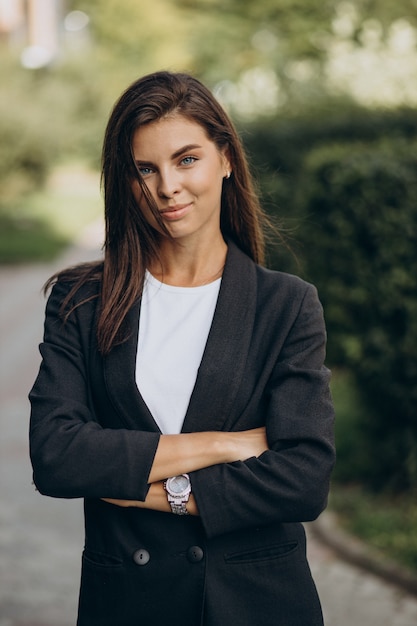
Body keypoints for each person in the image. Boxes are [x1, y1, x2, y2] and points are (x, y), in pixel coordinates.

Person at [29, 71, 335, 626]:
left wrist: (146, 489)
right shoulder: (80, 301)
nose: (167, 186)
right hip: (128, 605)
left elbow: (304, 480)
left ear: (226, 159)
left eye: (186, 159)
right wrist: (221, 445)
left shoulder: (287, 306)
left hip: (257, 604)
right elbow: (57, 456)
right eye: (145, 168)